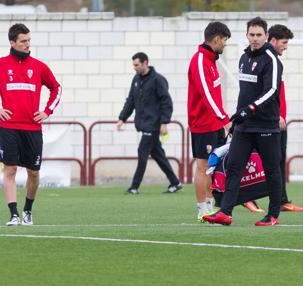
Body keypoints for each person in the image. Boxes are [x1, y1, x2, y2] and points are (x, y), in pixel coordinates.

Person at [0, 23, 62, 226]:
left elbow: (56, 89)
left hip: (32, 128)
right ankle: (13, 214)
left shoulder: (39, 66)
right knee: (10, 170)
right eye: (23, 41)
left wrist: (47, 111)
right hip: (9, 127)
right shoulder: (0, 65)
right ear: (12, 42)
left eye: (29, 40)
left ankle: (28, 211)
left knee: (33, 172)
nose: (27, 44)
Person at [203, 17, 284, 226]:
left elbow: (272, 91)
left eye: (259, 35)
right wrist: (240, 116)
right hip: (244, 127)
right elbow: (245, 92)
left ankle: (273, 214)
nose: (255, 39)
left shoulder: (271, 59)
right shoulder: (244, 58)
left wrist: (249, 109)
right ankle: (226, 212)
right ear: (247, 35)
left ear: (266, 36)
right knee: (234, 166)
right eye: (251, 35)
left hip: (266, 126)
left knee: (272, 170)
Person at [118, 52, 182, 195]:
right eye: (133, 65)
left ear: (145, 62)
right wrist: (122, 118)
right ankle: (175, 182)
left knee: (142, 152)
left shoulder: (158, 80)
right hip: (143, 124)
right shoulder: (136, 79)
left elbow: (167, 102)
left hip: (153, 124)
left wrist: (164, 122)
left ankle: (134, 187)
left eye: (137, 65)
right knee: (158, 155)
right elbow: (131, 101)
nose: (134, 68)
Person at [187, 22, 232, 222]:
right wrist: (225, 119)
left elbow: (215, 95)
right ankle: (202, 209)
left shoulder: (212, 60)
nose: (225, 45)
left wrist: (222, 118)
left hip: (214, 123)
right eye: (224, 41)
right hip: (203, 124)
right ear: (216, 39)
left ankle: (211, 203)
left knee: (214, 167)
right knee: (203, 166)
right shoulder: (199, 60)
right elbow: (206, 95)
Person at [267, 24, 303, 212]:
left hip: (278, 119)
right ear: (273, 40)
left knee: (278, 160)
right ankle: (273, 200)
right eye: (284, 42)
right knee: (271, 161)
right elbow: (269, 93)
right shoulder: (268, 60)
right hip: (271, 121)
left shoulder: (275, 61)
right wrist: (277, 116)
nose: (286, 46)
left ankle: (281, 200)